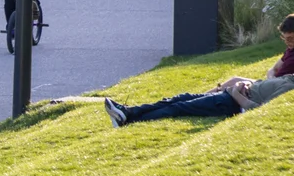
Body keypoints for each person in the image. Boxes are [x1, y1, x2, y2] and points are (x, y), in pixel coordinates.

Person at [104, 68, 294, 125]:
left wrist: (236, 91)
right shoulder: (289, 79)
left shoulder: (289, 90)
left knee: (178, 108)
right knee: (179, 98)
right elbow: (266, 83)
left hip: (229, 102)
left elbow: (258, 110)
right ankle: (128, 112)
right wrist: (247, 83)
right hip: (231, 93)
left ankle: (128, 120)